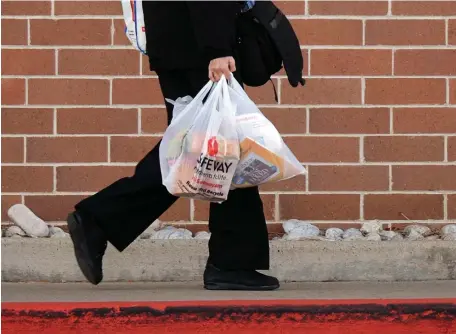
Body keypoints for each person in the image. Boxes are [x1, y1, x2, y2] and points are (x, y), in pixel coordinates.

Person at [66, 1, 279, 291]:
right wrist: (217, 48)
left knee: (211, 149)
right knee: (213, 148)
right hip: (199, 45)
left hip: (182, 40)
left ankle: (232, 261)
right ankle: (100, 217)